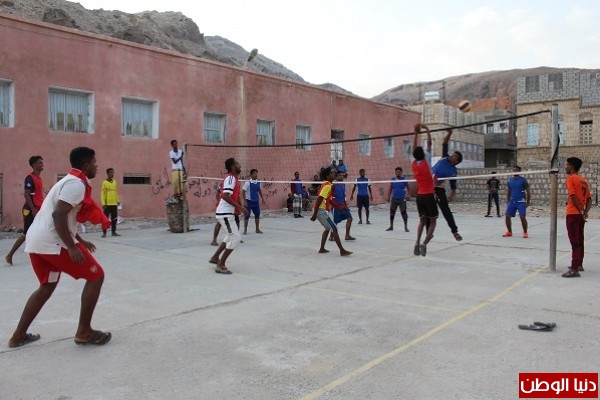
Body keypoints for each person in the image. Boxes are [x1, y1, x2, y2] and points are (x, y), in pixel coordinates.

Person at [8, 147, 112, 348]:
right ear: (86, 165)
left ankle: (18, 336)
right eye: (94, 162)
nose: (97, 166)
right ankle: (84, 332)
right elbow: (58, 215)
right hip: (53, 242)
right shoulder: (76, 184)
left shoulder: (67, 181)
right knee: (96, 276)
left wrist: (79, 240)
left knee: (46, 286)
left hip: (37, 241)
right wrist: (71, 247)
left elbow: (63, 216)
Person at [209, 158, 247, 274]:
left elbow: (232, 197)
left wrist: (236, 209)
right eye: (237, 164)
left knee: (229, 236)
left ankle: (215, 257)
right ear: (232, 167)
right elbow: (225, 196)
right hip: (224, 213)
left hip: (227, 213)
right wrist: (240, 207)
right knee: (235, 238)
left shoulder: (234, 179)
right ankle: (220, 264)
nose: (239, 165)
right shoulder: (230, 178)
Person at [5, 156, 44, 266]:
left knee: (39, 231)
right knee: (26, 233)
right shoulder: (30, 178)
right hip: (30, 209)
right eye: (40, 163)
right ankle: (9, 255)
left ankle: (40, 255)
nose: (42, 165)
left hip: (38, 209)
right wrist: (33, 210)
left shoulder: (39, 178)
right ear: (34, 165)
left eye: (42, 163)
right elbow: (27, 194)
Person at [310, 167, 352, 256]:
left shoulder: (328, 184)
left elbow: (328, 200)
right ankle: (342, 251)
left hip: (320, 210)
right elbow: (319, 199)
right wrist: (314, 214)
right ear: (327, 176)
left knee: (327, 228)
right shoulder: (327, 186)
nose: (334, 174)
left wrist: (338, 207)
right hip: (320, 210)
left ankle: (322, 248)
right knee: (334, 228)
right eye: (332, 173)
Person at [562, 157, 592, 278]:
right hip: (579, 216)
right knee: (580, 240)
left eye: (567, 165)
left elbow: (573, 195)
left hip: (573, 214)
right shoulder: (583, 180)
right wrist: (584, 212)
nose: (566, 167)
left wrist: (580, 210)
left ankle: (574, 269)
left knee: (574, 241)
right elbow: (589, 199)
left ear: (572, 167)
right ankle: (579, 264)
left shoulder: (571, 179)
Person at [431, 128, 463, 241]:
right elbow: (445, 143)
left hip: (439, 189)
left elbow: (453, 184)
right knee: (429, 213)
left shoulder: (453, 171)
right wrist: (449, 133)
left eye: (454, 156)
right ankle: (429, 232)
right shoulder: (445, 157)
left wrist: (452, 194)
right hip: (428, 188)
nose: (451, 156)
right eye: (452, 154)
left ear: (456, 161)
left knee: (446, 211)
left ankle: (455, 232)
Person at [412, 124, 438, 257]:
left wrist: (416, 133)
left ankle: (417, 242)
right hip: (428, 196)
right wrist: (427, 129)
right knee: (433, 221)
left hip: (419, 197)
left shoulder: (413, 163)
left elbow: (414, 148)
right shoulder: (426, 161)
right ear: (423, 154)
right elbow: (429, 143)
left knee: (422, 221)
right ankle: (424, 244)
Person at [502, 166, 531, 238]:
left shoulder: (523, 180)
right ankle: (509, 232)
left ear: (519, 171)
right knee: (507, 216)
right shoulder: (510, 180)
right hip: (512, 201)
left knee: (522, 217)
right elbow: (509, 191)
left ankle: (525, 232)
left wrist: (527, 202)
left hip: (521, 201)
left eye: (516, 170)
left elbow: (528, 192)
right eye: (514, 170)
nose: (515, 171)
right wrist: (508, 201)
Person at [328, 171, 355, 241]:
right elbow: (328, 195)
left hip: (343, 205)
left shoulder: (343, 184)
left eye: (342, 175)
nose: (342, 177)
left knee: (350, 218)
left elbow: (343, 194)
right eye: (340, 175)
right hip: (336, 206)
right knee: (335, 222)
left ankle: (347, 236)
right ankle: (331, 236)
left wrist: (345, 204)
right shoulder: (333, 184)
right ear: (336, 176)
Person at [386, 166, 410, 232]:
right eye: (397, 172)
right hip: (394, 199)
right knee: (392, 213)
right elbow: (390, 189)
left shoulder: (404, 179)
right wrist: (388, 197)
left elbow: (408, 188)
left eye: (399, 172)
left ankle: (406, 227)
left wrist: (408, 195)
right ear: (395, 172)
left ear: (401, 172)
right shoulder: (393, 179)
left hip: (402, 199)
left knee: (404, 213)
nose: (398, 173)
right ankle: (391, 226)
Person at [242, 168, 265, 235]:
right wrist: (245, 201)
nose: (256, 175)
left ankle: (257, 229)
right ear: (251, 175)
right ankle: (245, 230)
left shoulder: (258, 182)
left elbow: (259, 190)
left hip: (256, 202)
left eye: (256, 173)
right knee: (247, 215)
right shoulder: (247, 183)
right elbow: (243, 192)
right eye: (254, 173)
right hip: (249, 201)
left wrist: (262, 198)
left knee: (257, 215)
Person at [101, 167, 121, 237]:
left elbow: (115, 192)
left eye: (113, 173)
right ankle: (104, 232)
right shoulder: (104, 182)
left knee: (114, 218)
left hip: (114, 203)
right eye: (111, 173)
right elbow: (102, 193)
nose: (112, 174)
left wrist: (118, 200)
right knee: (105, 219)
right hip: (107, 204)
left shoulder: (115, 182)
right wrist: (103, 203)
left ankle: (113, 232)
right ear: (107, 173)